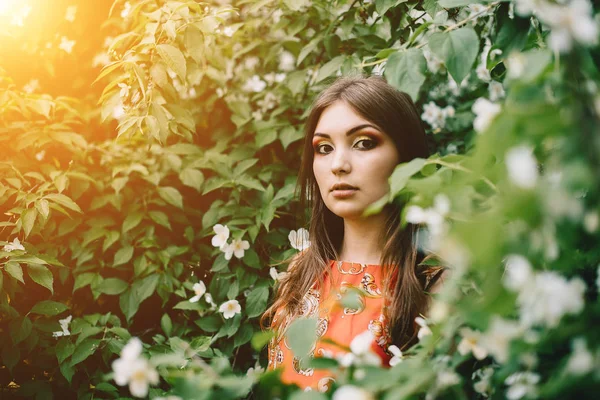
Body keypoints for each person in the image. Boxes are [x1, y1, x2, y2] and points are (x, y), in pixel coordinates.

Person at [260, 75, 448, 392]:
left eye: (363, 143)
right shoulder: (299, 274)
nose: (338, 164)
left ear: (406, 157)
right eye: (323, 148)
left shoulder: (433, 284)